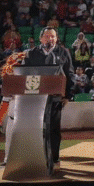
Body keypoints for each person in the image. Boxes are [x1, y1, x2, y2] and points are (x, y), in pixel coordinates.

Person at [22, 27, 74, 169]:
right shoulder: (31, 54)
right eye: (47, 36)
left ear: (56, 38)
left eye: (53, 36)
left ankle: (54, 159)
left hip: (55, 98)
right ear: (40, 38)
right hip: (35, 98)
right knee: (36, 129)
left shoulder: (64, 52)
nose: (50, 39)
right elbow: (23, 74)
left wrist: (68, 95)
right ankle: (36, 158)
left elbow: (70, 75)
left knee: (53, 130)